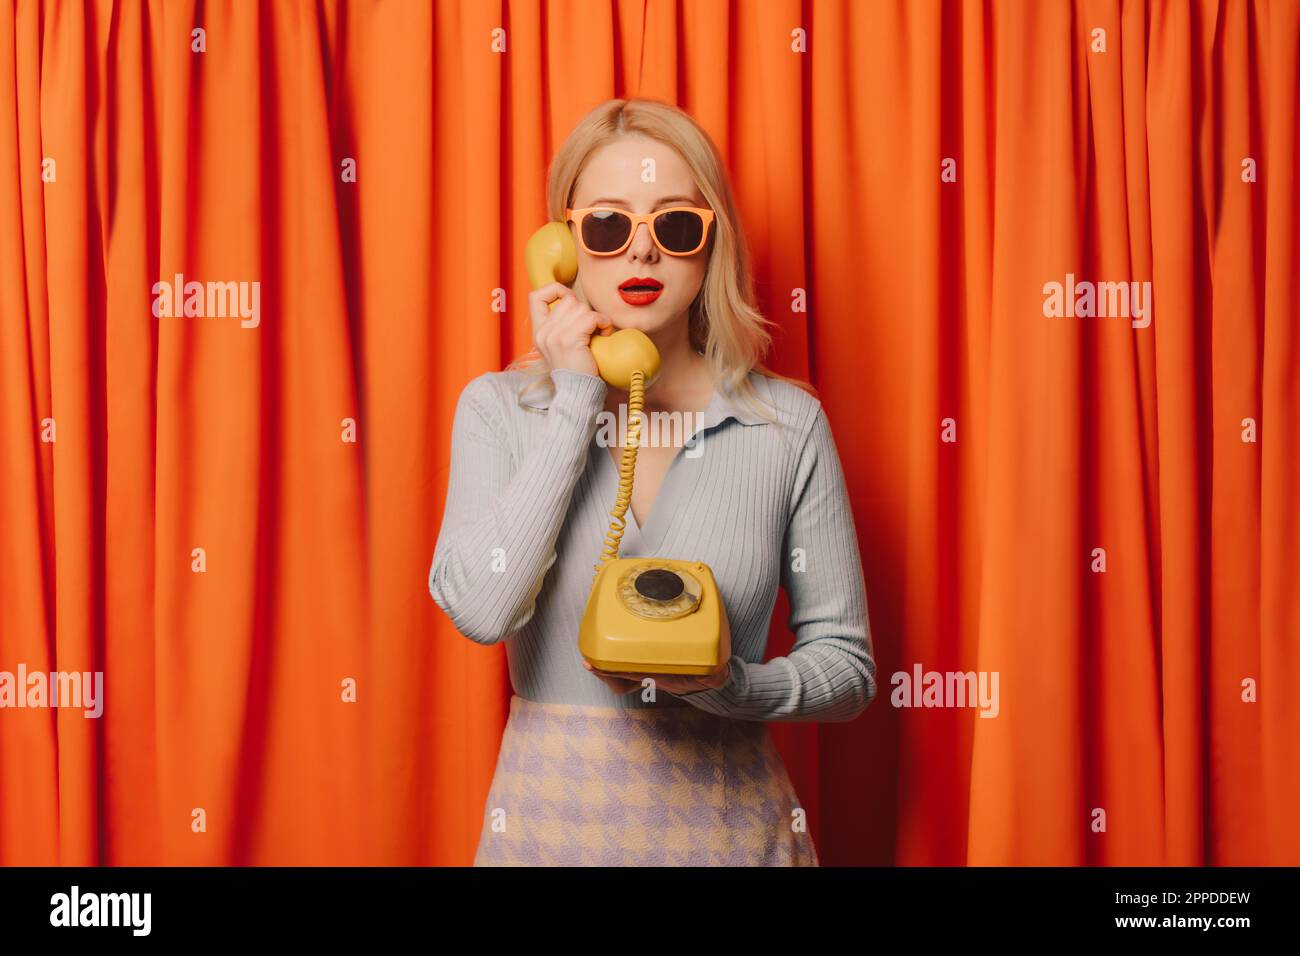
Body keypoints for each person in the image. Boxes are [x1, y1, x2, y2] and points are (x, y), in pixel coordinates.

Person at [428, 98, 876, 866]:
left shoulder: (785, 425)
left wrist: (729, 686)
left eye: (674, 226)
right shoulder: (500, 410)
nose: (642, 255)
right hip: (547, 841)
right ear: (562, 247)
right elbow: (480, 609)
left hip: (735, 843)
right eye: (607, 226)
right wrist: (574, 402)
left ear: (711, 245)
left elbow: (848, 666)